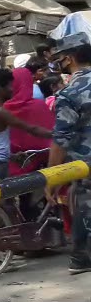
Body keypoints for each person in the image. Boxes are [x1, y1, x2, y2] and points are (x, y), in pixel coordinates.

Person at [48, 37, 91, 273]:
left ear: (70, 59)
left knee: (84, 207)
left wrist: (52, 176)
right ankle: (79, 257)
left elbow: (60, 140)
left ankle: (80, 257)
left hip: (85, 166)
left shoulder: (70, 94)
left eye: (60, 60)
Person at [0, 68, 52, 183]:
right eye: (9, 86)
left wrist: (12, 156)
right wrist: (57, 134)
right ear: (0, 88)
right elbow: (31, 129)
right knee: (7, 199)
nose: (12, 90)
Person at [4, 65, 56, 175]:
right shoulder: (40, 105)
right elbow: (52, 133)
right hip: (47, 163)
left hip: (17, 166)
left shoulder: (3, 109)